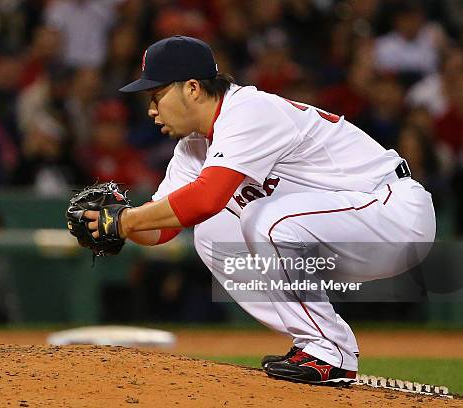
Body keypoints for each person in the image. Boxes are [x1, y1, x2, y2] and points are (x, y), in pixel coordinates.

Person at [81, 36, 436, 385]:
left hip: (393, 214)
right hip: (345, 230)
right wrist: (116, 224)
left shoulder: (248, 111)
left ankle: (332, 350)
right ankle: (313, 341)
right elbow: (165, 227)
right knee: (213, 232)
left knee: (264, 219)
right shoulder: (192, 148)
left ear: (192, 88)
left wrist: (125, 220)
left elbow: (206, 198)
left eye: (156, 96)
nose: (151, 109)